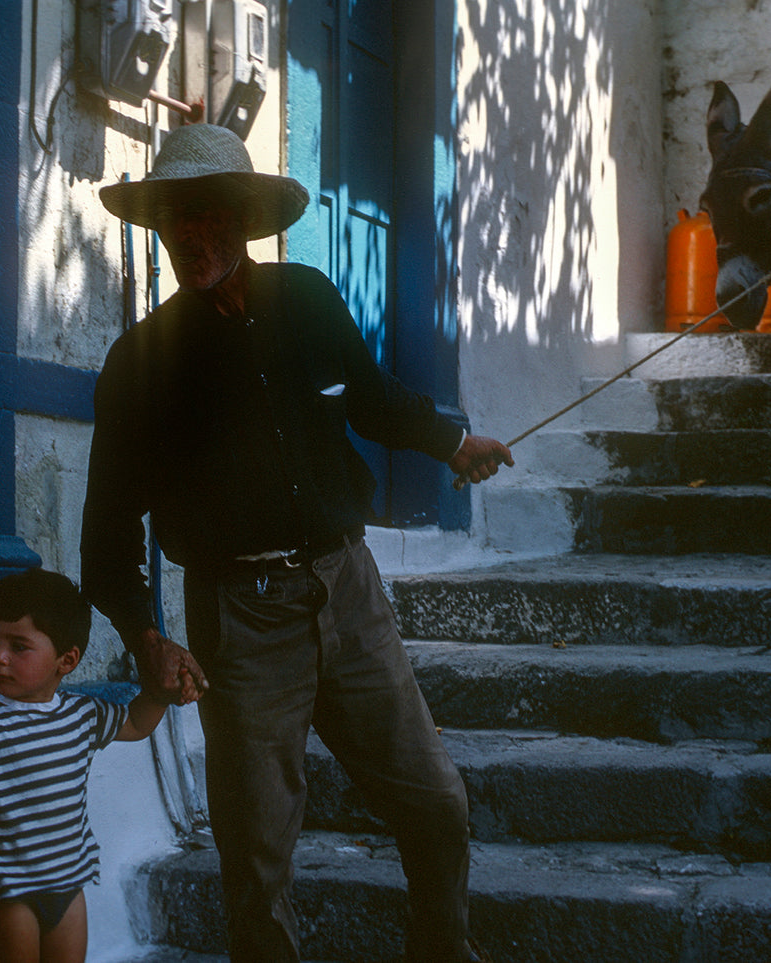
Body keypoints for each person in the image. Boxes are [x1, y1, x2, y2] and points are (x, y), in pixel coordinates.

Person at [80, 123, 512, 963]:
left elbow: (375, 400)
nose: (195, 237)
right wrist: (146, 638)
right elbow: (105, 538)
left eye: (211, 217)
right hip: (240, 618)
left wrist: (451, 445)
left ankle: (443, 949)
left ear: (243, 219)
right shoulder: (138, 364)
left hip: (347, 588)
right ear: (162, 229)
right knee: (257, 854)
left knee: (435, 801)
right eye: (179, 221)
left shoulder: (306, 299)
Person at [0, 568, 197, 963]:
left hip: (69, 886)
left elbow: (136, 723)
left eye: (18, 647)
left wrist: (163, 694)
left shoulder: (81, 715)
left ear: (67, 660)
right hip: (10, 894)